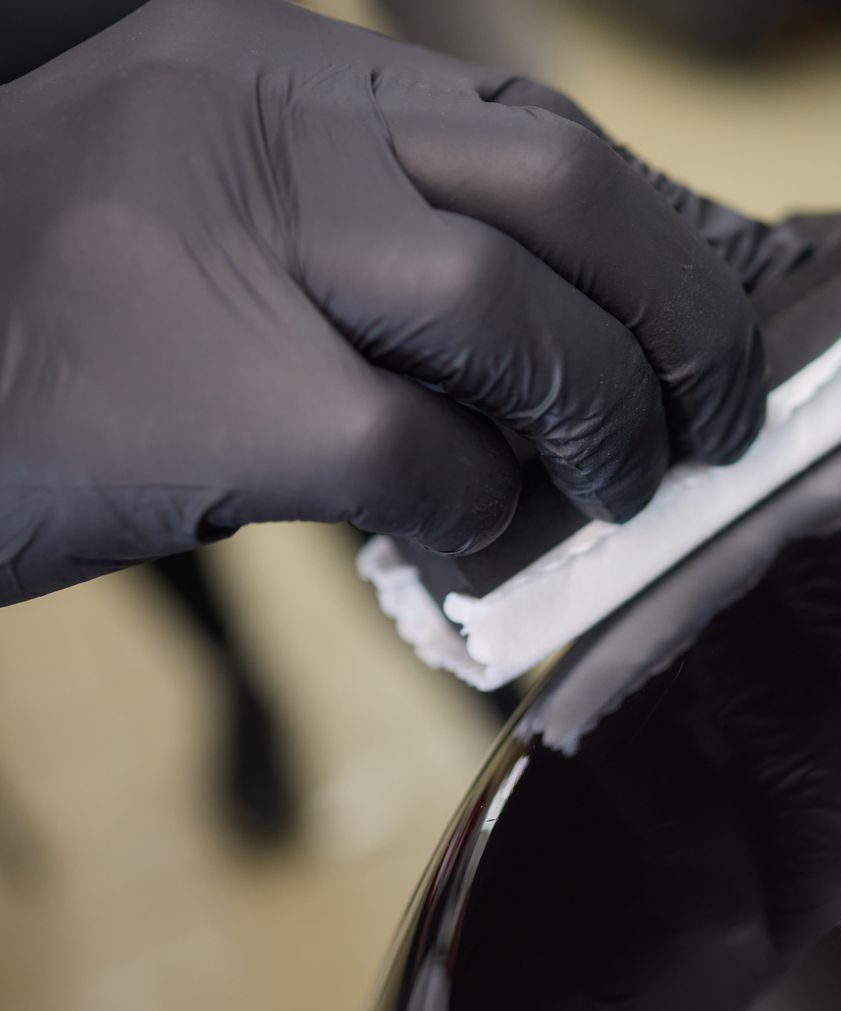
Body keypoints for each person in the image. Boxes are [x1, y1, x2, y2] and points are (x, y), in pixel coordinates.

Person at [0, 0, 783, 607]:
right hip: (52, 278)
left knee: (377, 430)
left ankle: (485, 675)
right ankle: (242, 682)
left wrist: (482, 87)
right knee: (154, 473)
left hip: (216, 78)